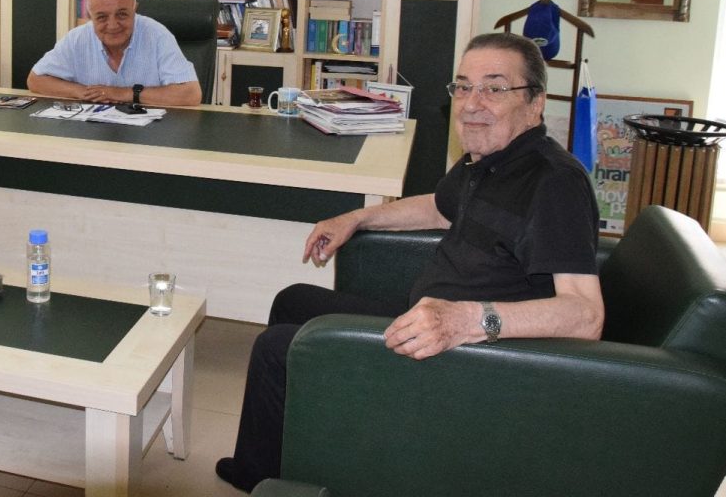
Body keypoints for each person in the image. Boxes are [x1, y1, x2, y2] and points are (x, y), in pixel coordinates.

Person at [216, 32, 603, 492]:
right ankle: (285, 460)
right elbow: (438, 207)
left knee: (277, 349)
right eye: (463, 87)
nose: (472, 103)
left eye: (494, 88)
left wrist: (466, 320)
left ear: (535, 103)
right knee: (293, 302)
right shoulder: (489, 159)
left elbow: (585, 316)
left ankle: (261, 480)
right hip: (426, 323)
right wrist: (357, 218)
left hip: (470, 359)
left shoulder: (555, 184)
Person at [26, 0, 201, 106]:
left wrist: (122, 93)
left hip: (150, 137)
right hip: (92, 133)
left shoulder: (157, 35)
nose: (112, 25)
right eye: (102, 17)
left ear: (134, 9)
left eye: (122, 14)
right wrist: (84, 92)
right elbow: (35, 79)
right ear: (90, 17)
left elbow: (191, 94)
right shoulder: (77, 39)